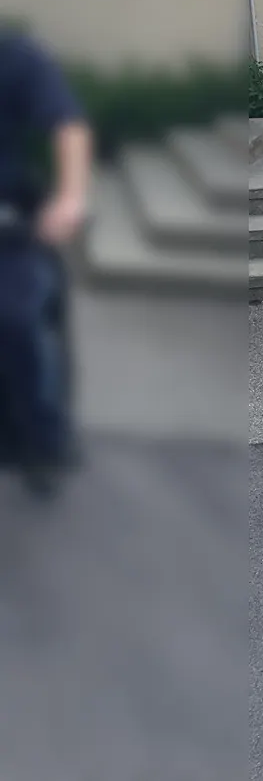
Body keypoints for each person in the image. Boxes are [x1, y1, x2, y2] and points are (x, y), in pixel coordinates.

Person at [0, 26, 92, 494]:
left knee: (18, 320)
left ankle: (43, 440)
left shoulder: (14, 55)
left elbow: (67, 124)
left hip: (9, 227)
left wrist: (70, 197)